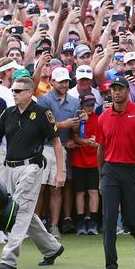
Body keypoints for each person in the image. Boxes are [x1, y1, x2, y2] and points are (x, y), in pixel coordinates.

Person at [0, 77, 65, 269]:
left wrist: (60, 172)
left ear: (30, 92)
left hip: (32, 167)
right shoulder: (8, 113)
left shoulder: (42, 113)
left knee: (19, 211)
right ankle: (52, 248)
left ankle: (9, 258)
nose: (13, 93)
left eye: (18, 91)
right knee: (26, 212)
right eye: (13, 90)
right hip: (10, 168)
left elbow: (56, 142)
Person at [96, 76, 135, 269]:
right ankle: (111, 266)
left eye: (120, 89)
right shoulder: (103, 117)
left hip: (132, 169)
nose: (116, 92)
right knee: (109, 219)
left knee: (131, 217)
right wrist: (101, 176)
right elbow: (101, 149)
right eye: (114, 89)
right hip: (111, 170)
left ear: (128, 91)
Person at [37, 66, 80, 239]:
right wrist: (65, 124)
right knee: (39, 188)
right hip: (43, 148)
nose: (64, 84)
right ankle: (37, 226)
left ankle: (54, 226)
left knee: (56, 188)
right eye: (61, 81)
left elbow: (74, 130)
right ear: (52, 82)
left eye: (66, 81)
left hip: (61, 149)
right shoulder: (44, 100)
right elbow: (45, 126)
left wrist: (76, 125)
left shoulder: (75, 102)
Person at [70, 92, 101, 235]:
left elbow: (101, 137)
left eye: (92, 105)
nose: (90, 108)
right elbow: (75, 136)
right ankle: (81, 222)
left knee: (94, 191)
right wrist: (86, 140)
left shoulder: (98, 119)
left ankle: (93, 221)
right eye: (87, 105)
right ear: (81, 105)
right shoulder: (77, 119)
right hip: (79, 160)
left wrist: (95, 142)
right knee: (80, 192)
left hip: (94, 160)